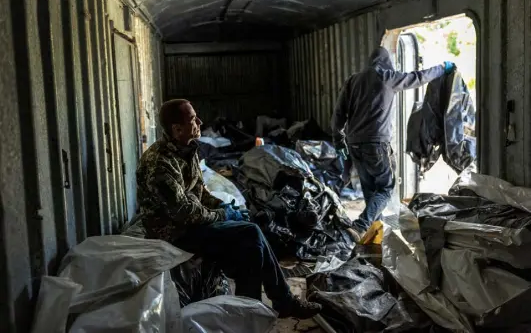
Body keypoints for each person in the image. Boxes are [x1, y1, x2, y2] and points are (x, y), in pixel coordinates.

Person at [136, 99, 322, 319]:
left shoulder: (187, 149)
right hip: (173, 233)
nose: (200, 122)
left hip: (189, 224)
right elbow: (185, 213)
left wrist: (221, 205)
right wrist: (222, 215)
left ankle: (253, 309)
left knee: (251, 239)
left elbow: (199, 192)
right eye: (193, 119)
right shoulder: (160, 163)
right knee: (250, 234)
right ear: (177, 129)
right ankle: (268, 306)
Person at [331, 47, 455, 240]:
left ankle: (374, 237)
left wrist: (338, 141)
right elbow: (417, 77)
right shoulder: (386, 76)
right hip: (376, 144)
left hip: (354, 144)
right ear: (386, 62)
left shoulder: (352, 80)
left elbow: (338, 115)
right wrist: (441, 68)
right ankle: (361, 226)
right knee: (386, 189)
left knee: (371, 192)